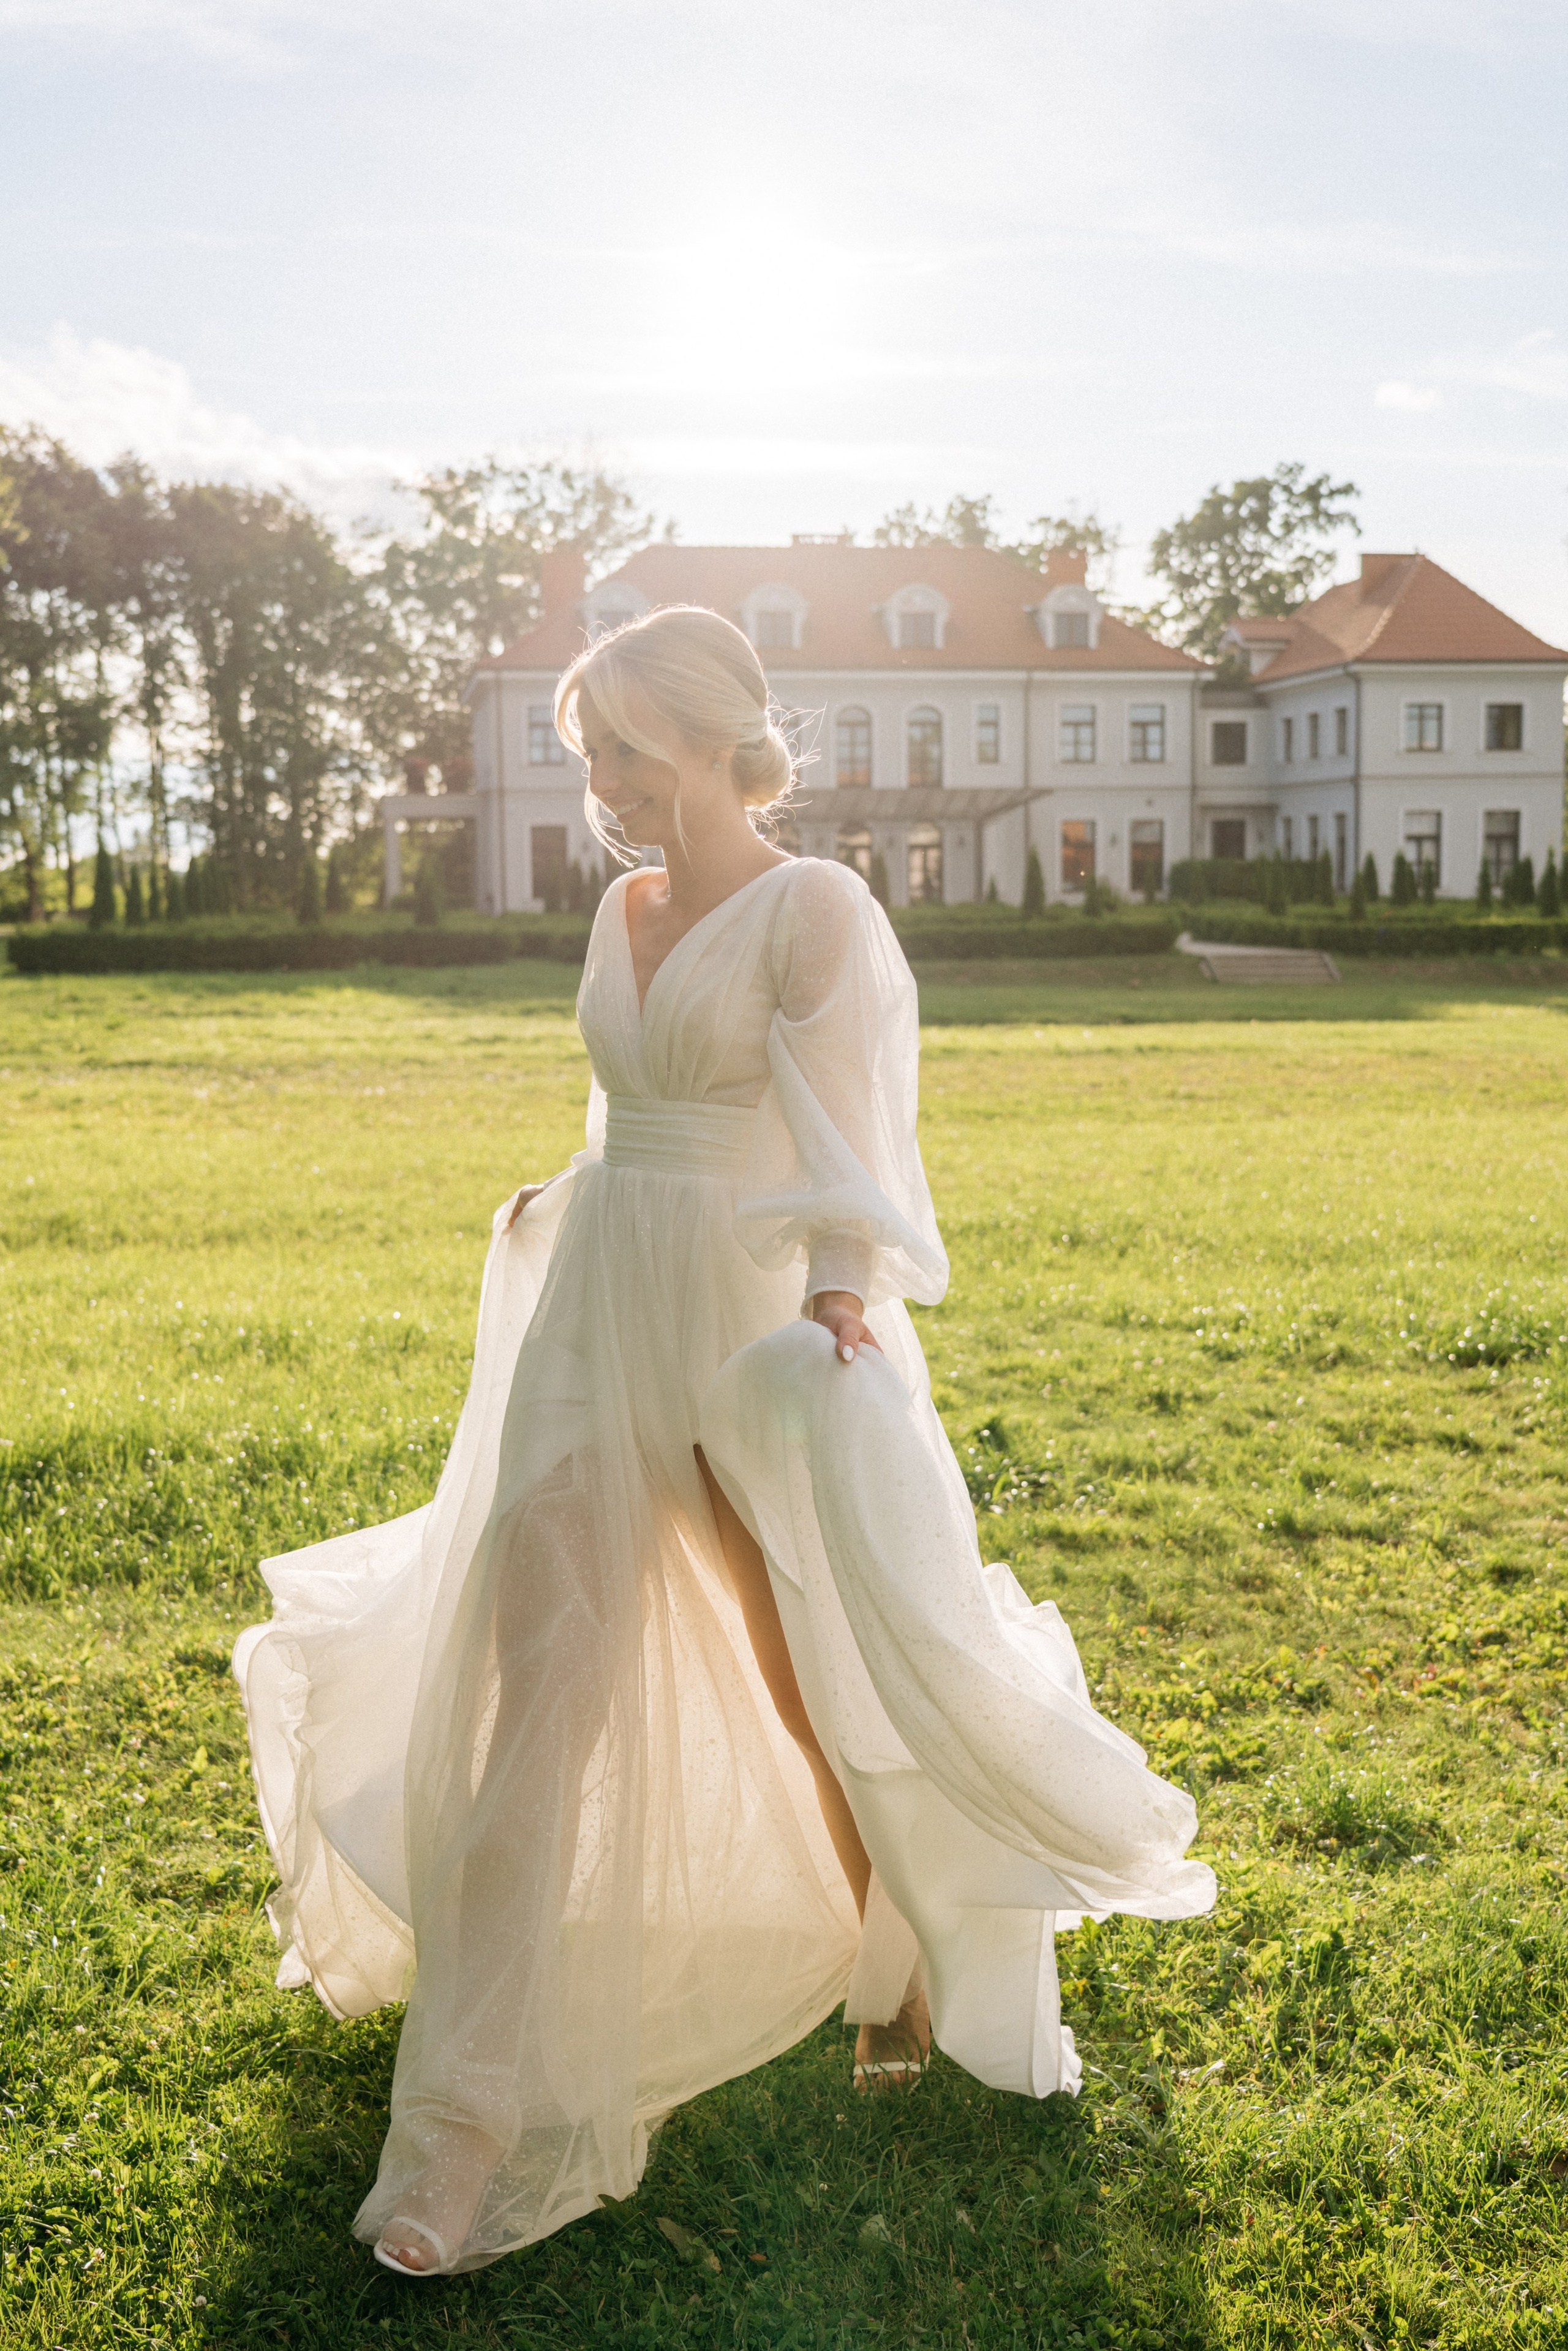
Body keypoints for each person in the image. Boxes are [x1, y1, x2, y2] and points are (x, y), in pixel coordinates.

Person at [234, 606, 1214, 2279]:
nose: (599, 784)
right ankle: (464, 2135)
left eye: (619, 747)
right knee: (533, 1680)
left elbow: (849, 1127)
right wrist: (562, 1193)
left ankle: (893, 1938)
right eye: (584, 753)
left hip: (752, 1324)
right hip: (597, 1306)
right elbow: (633, 1106)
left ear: (705, 736)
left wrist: (838, 1297)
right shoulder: (618, 908)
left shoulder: (818, 907)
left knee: (815, 1672)